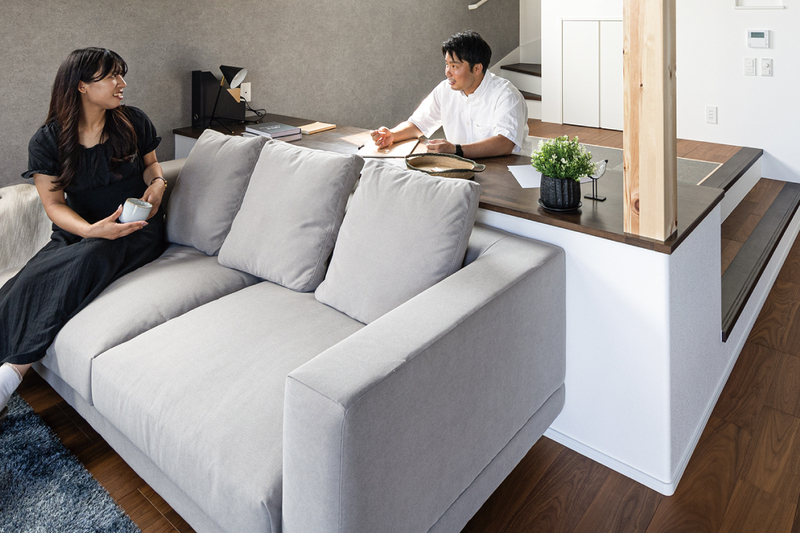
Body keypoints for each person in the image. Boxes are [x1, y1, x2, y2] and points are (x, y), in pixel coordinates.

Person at [0, 48, 168, 423]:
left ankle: (11, 376)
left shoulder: (134, 122)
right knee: (26, 281)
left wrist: (158, 184)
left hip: (136, 230)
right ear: (81, 86)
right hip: (78, 232)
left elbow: (152, 167)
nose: (122, 83)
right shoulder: (47, 141)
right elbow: (54, 203)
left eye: (121, 74)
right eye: (112, 76)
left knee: (90, 259)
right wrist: (91, 230)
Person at [370, 31, 532, 159]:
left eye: (454, 66)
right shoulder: (445, 89)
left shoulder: (506, 95)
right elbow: (418, 124)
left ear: (477, 68)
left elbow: (505, 143)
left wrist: (456, 149)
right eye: (447, 64)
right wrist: (393, 135)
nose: (448, 72)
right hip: (461, 167)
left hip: (507, 169)